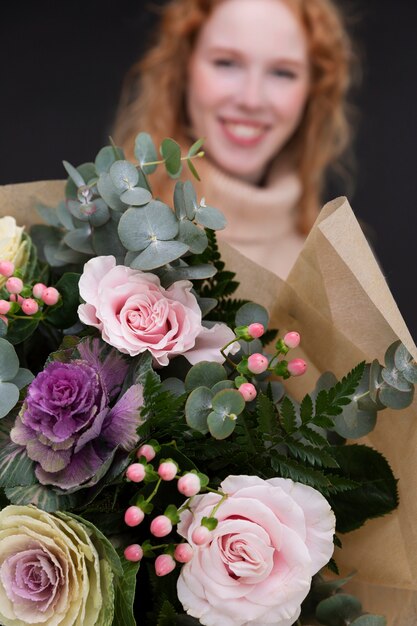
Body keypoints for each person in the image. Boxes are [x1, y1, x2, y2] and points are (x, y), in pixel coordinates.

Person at [112, 0, 355, 279]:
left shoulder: (332, 271)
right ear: (183, 68)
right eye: (226, 63)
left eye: (282, 72)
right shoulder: (108, 235)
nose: (251, 99)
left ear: (312, 90)